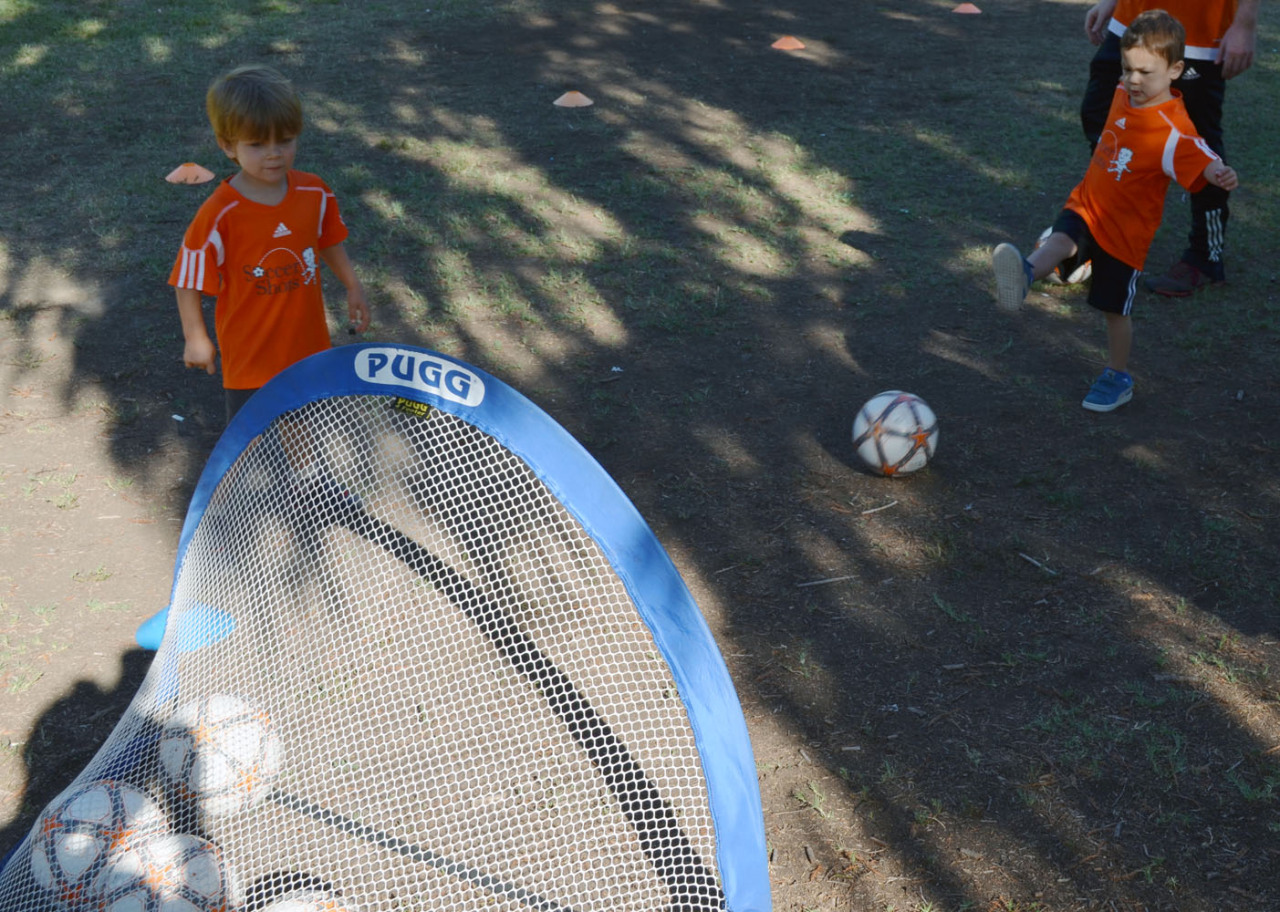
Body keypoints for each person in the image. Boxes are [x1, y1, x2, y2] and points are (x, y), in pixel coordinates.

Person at [992, 10, 1238, 412]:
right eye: (1127, 68)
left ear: (1176, 71)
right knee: (1062, 236)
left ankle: (1117, 375)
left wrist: (1218, 172)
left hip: (1124, 237)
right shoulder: (1124, 92)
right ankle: (1024, 274)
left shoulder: (1173, 131)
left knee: (1113, 310)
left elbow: (1201, 152)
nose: (1132, 80)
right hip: (1088, 202)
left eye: (1145, 72)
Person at [170, 64, 371, 423]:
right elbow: (188, 278)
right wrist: (195, 336)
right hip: (251, 355)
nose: (274, 153)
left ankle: (303, 463)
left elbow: (327, 240)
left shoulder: (314, 192)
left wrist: (352, 285)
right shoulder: (220, 213)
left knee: (305, 426)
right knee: (252, 437)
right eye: (257, 144)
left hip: (306, 348)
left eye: (285, 140)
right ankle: (249, 465)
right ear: (227, 145)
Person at [1082, 0, 1259, 296]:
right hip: (1131, 19)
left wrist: (1245, 23)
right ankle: (1104, 235)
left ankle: (1205, 257)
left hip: (1198, 32)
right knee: (1102, 119)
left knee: (1199, 145)